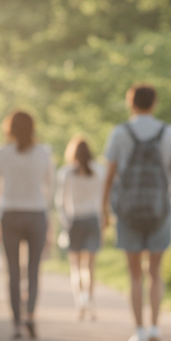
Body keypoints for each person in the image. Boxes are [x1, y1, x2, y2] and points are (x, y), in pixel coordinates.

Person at [102, 84, 171, 341]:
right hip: (159, 210)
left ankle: (138, 331)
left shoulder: (120, 133)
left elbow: (110, 175)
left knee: (135, 274)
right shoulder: (169, 132)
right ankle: (155, 328)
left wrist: (105, 208)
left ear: (131, 103)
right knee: (155, 272)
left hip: (128, 211)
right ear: (155, 103)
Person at [0, 110, 55, 340]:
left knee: (12, 272)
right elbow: (50, 189)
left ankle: (16, 323)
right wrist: (49, 218)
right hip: (36, 215)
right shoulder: (44, 153)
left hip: (10, 216)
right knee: (33, 270)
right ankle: (30, 316)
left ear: (9, 129)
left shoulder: (0, 153)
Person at [56, 135, 105, 320]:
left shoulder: (66, 172)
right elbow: (102, 201)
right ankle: (89, 301)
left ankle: (79, 303)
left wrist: (65, 222)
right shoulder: (99, 171)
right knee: (90, 266)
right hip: (93, 220)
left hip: (74, 220)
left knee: (75, 266)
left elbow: (60, 202)